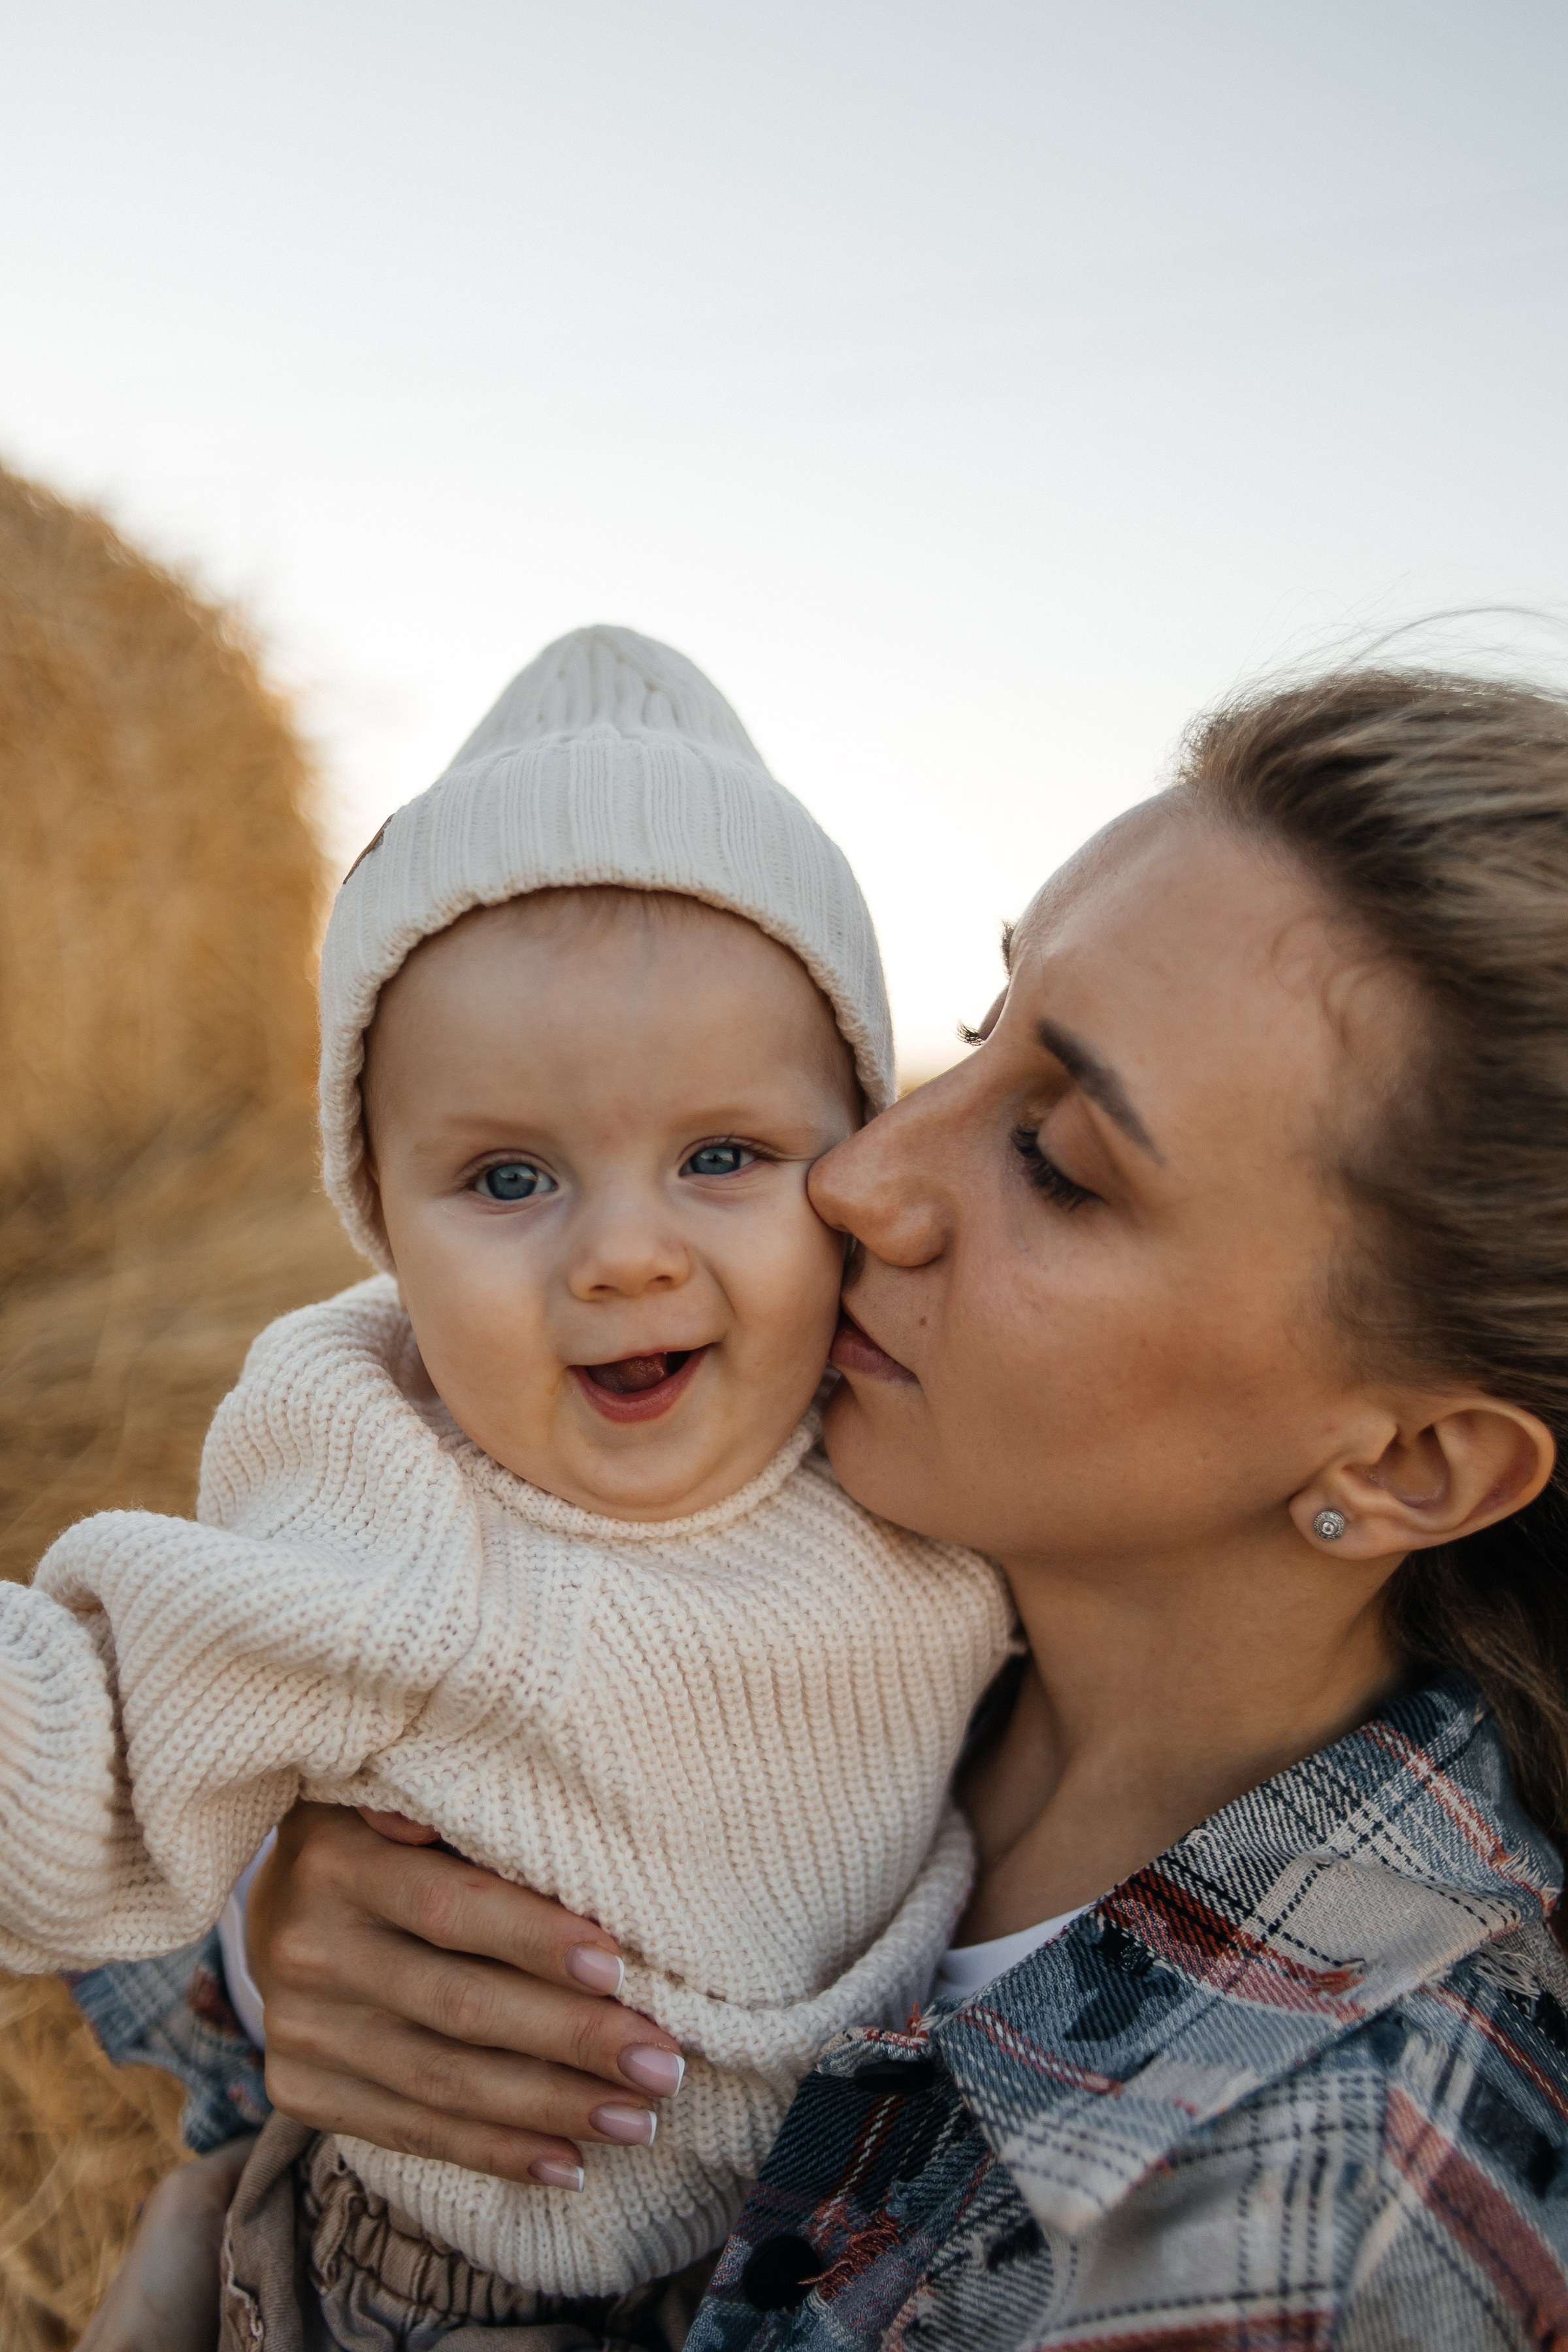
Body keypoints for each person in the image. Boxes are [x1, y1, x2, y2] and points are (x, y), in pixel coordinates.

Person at [75, 663, 1568, 2345]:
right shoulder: (829, 1527)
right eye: (982, 1031)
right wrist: (299, 1941)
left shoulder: (1327, 2219)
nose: (859, 1173)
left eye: (1062, 1163)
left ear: (1404, 1466)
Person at [1, 626, 1013, 2342]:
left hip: (814, 2260)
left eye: (723, 1157)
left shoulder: (924, 1450)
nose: (624, 1253)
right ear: (378, 1228)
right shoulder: (394, 1505)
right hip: (454, 2293)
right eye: (509, 1176)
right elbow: (87, 1741)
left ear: (845, 1163)